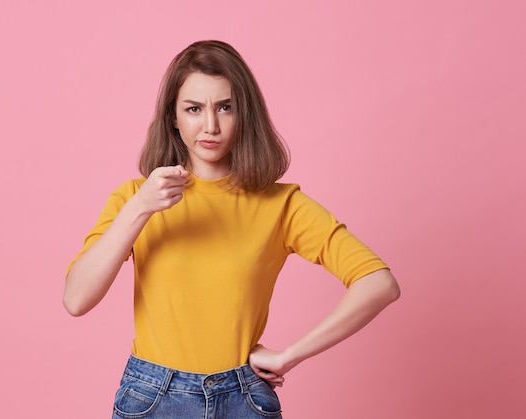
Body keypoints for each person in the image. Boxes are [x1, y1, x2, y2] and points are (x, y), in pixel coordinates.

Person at [64, 40, 400, 419]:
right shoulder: (135, 199)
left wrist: (290, 355)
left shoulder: (281, 205)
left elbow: (379, 283)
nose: (210, 126)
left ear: (245, 115)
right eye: (193, 109)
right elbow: (76, 299)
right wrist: (140, 208)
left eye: (225, 107)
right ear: (173, 117)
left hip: (244, 398)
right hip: (153, 399)